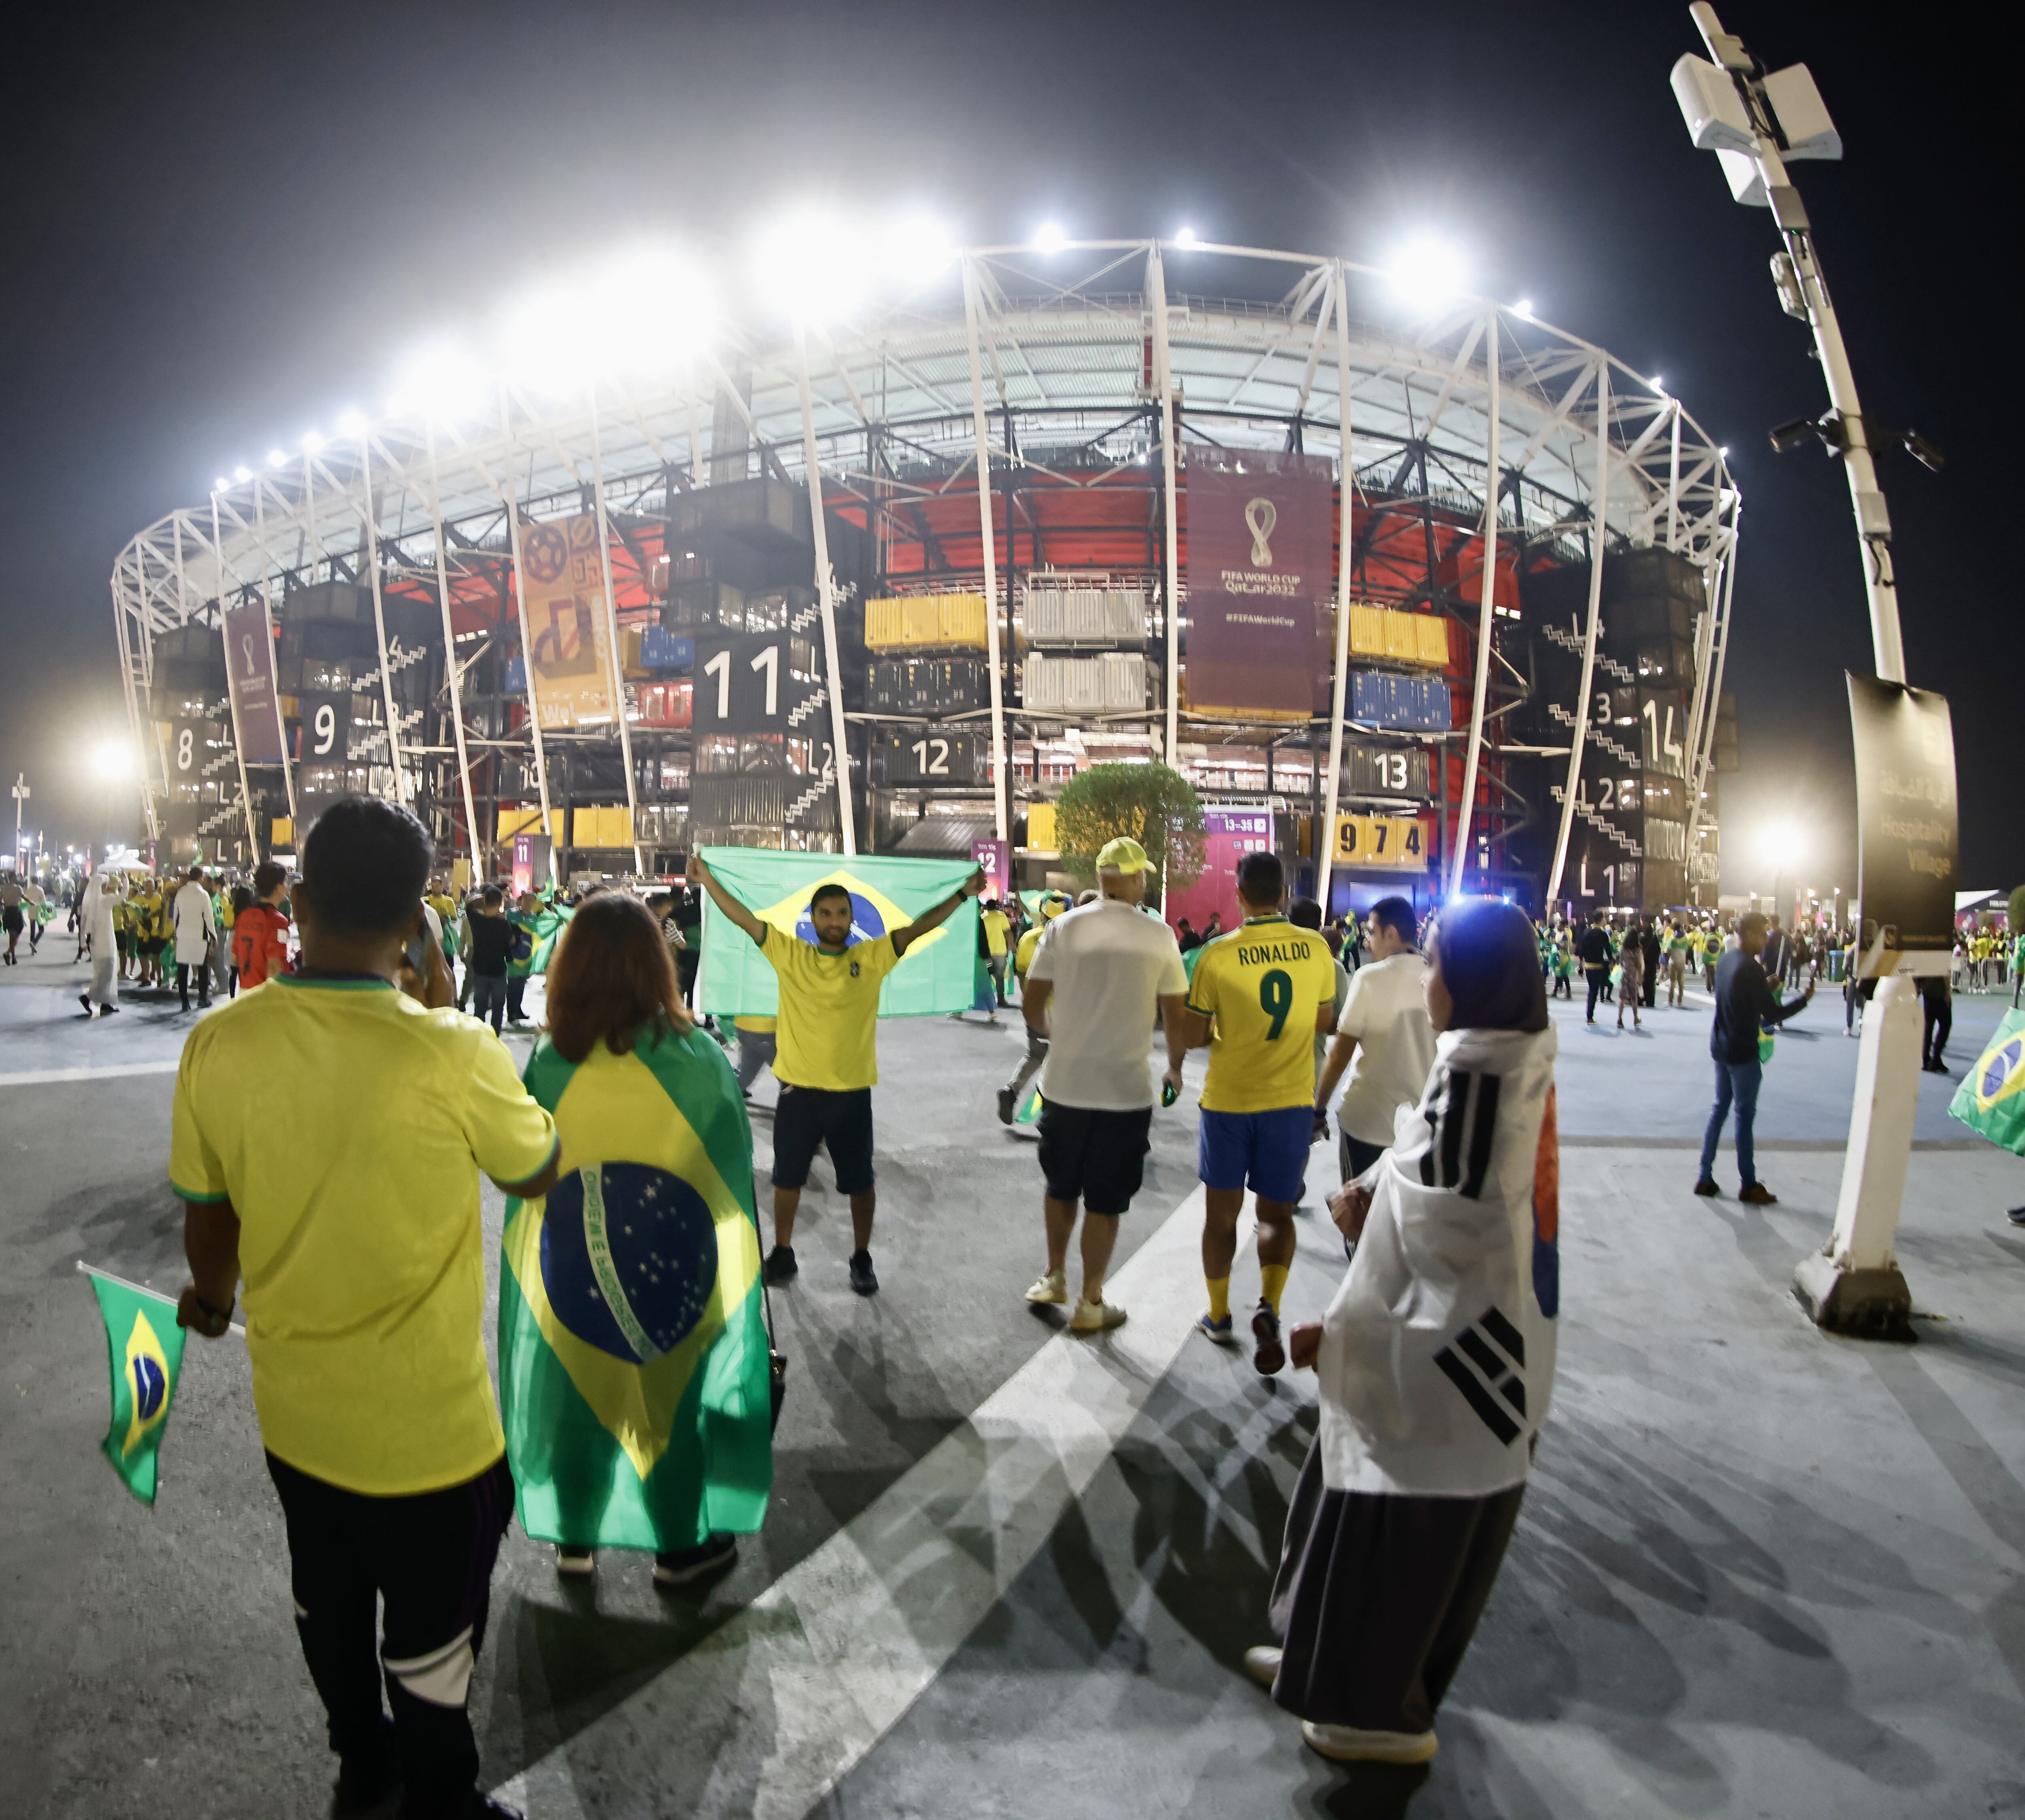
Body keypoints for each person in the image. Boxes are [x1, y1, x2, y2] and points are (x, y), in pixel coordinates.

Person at [168, 797, 560, 1820]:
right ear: (417, 917)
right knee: (433, 1641)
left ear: (296, 903)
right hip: (435, 1441)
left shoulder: (221, 1044)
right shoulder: (456, 1053)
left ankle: (361, 1763)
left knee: (327, 1602)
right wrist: (438, 1005)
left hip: (299, 1424)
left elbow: (208, 1222)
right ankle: (439, 1792)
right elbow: (536, 1173)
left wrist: (214, 1304)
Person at [1245, 895, 1559, 1768]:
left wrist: (1339, 1327)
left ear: (1468, 980)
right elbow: (1423, 1167)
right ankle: (1316, 1654)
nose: (1425, 980)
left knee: (1396, 1536)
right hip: (1474, 1351)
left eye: (1434, 964)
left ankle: (1377, 1714)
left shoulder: (1482, 1078)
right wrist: (1377, 1189)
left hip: (1449, 1360)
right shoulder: (1506, 1055)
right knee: (1344, 1496)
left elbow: (1430, 1238)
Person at [509, 889, 769, 1588]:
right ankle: (679, 1549)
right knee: (671, 1404)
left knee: (574, 1396)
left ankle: (574, 1538)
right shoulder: (701, 1057)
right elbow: (730, 1171)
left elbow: (527, 1164)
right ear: (659, 966)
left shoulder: (549, 1061)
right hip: (676, 1259)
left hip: (573, 1258)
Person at [687, 851, 985, 1295]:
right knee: (786, 1179)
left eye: (841, 912)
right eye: (825, 912)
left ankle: (861, 1258)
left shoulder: (874, 956)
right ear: (812, 918)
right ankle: (783, 1252)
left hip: (850, 1095)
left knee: (859, 1184)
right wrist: (707, 881)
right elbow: (743, 917)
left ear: (851, 917)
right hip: (797, 1094)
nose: (833, 919)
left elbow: (919, 926)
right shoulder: (789, 954)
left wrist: (963, 894)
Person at [1169, 850, 1336, 1375]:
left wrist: (1227, 1028)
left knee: (1221, 1219)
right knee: (1276, 1217)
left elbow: (1195, 1035)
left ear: (1239, 896)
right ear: (1285, 894)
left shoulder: (1217, 954)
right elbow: (1324, 1022)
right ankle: (1271, 1304)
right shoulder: (1316, 948)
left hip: (1229, 1105)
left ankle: (1219, 1315)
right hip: (1289, 1103)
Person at [1017, 842, 1187, 1331]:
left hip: (1065, 1086)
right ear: (1133, 880)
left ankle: (1054, 1275)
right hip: (1125, 1092)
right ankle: (1091, 1301)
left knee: (1060, 1185)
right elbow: (1175, 1013)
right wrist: (1175, 1066)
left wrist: (1054, 1034)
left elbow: (1033, 1002)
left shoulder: (1062, 928)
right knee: (1106, 1201)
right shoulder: (1158, 935)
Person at [1312, 895, 1435, 1191]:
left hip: (1368, 1125)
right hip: (1422, 1131)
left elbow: (1341, 1054)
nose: (1366, 942)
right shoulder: (1438, 979)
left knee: (1360, 1224)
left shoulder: (1369, 978)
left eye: (1371, 932)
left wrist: (1318, 1111)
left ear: (1390, 934)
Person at [1695, 911, 1814, 1203]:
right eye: (1763, 934)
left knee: (1719, 1109)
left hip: (1721, 1046)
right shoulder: (1751, 968)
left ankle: (1704, 1176)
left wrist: (1766, 986)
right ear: (1748, 935)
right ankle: (1748, 1184)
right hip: (1742, 1052)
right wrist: (1804, 1000)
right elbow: (1772, 1015)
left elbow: (1740, 996)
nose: (1766, 939)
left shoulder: (1727, 960)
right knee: (1744, 1117)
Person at [997, 890, 1070, 1124]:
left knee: (1035, 1056)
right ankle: (1053, 1114)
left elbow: (1022, 976)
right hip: (1065, 1013)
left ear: (1041, 912)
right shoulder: (1072, 940)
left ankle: (1012, 1091)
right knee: (1065, 1063)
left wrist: (1031, 1003)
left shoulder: (1028, 939)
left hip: (1036, 1010)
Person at [232, 862, 293, 991]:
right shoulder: (278, 922)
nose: (287, 889)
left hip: (245, 992)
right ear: (278, 886)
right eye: (286, 883)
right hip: (265, 996)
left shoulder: (244, 916)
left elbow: (235, 958)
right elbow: (274, 968)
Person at [463, 885, 514, 1034]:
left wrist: (481, 897)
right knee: (498, 1010)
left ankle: (480, 1039)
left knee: (480, 1008)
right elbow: (510, 943)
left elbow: (468, 905)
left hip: (480, 971)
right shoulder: (504, 925)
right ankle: (494, 1039)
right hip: (498, 972)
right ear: (500, 903)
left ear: (485, 902)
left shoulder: (477, 921)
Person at [172, 865, 218, 1011]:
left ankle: (185, 1001)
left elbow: (176, 916)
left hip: (183, 935)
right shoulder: (203, 894)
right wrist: (214, 936)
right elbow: (209, 919)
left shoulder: (181, 893)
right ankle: (202, 998)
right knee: (203, 966)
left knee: (183, 967)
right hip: (199, 935)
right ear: (201, 877)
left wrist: (177, 931)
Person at [79, 873, 122, 1018]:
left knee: (102, 973)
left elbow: (84, 924)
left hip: (96, 944)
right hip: (106, 942)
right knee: (107, 973)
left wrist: (83, 943)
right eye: (106, 885)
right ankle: (88, 998)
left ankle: (105, 1003)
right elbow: (124, 895)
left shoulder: (92, 903)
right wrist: (125, 880)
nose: (108, 887)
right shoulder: (105, 901)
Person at [505, 891, 538, 1025]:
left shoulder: (534, 918)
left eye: (531, 900)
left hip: (526, 959)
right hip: (513, 958)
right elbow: (505, 930)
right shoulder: (512, 914)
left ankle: (518, 1010)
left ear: (534, 903)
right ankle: (511, 1013)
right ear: (521, 900)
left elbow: (537, 938)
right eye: (526, 899)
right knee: (512, 985)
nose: (528, 902)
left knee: (521, 986)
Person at [1577, 910, 1614, 1025]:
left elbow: (1581, 950)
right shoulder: (1603, 934)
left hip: (1588, 966)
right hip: (1599, 966)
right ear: (1602, 919)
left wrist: (1581, 965)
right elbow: (1608, 951)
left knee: (1593, 990)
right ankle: (1590, 1016)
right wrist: (1612, 963)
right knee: (1594, 991)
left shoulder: (1586, 933)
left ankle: (1589, 1014)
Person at [733, 1014, 777, 1099]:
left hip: (743, 1023)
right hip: (766, 1028)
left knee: (749, 1069)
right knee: (785, 1073)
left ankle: (730, 1095)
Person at [980, 896, 1012, 1008]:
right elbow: (1008, 932)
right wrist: (1013, 947)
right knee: (999, 976)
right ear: (996, 906)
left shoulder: (983, 918)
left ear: (986, 908)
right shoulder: (1002, 916)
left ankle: (985, 1000)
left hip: (986, 952)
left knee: (985, 976)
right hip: (1000, 951)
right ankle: (1001, 1000)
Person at [1920, 973, 1952, 1074]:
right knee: (1946, 1024)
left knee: (1929, 1028)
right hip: (1939, 991)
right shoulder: (1940, 958)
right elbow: (1945, 973)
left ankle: (1926, 1060)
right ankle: (1936, 1058)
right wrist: (1947, 993)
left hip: (1927, 991)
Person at [1615, 921, 1644, 1032]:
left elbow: (1621, 961)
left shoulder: (1624, 948)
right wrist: (1640, 976)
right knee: (1634, 998)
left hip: (1624, 974)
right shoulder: (1637, 950)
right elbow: (1639, 964)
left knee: (1622, 998)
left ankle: (1620, 1019)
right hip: (1632, 974)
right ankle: (1635, 1018)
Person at [1665, 922, 1691, 1007]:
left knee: (1672, 982)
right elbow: (1687, 949)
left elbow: (1668, 950)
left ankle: (1670, 1000)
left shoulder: (1672, 938)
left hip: (1673, 961)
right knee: (1681, 982)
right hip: (1682, 961)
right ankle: (1680, 1000)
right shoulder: (1685, 938)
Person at [0, 869, 23, 964]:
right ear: (13, 878)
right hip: (15, 912)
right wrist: (31, 902)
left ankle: (13, 958)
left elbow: (0, 900)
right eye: (17, 876)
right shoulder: (18, 888)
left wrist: (5, 904)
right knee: (17, 935)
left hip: (7, 912)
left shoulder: (3, 888)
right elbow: (24, 897)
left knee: (12, 935)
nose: (17, 878)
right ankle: (8, 953)